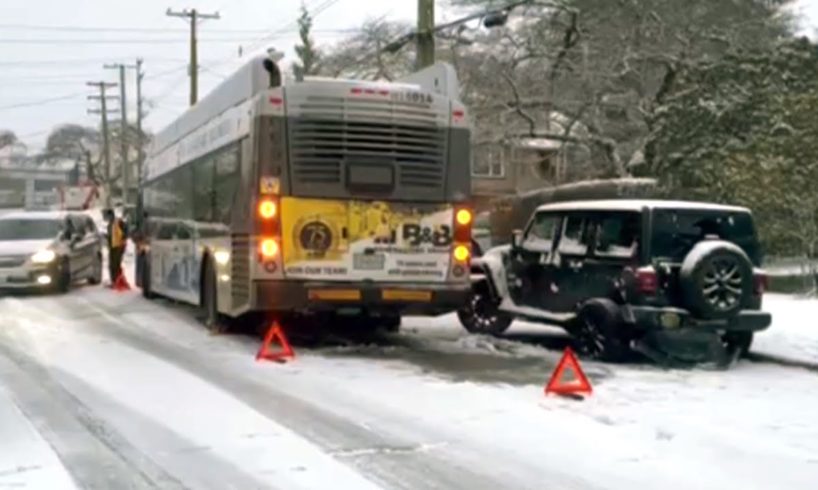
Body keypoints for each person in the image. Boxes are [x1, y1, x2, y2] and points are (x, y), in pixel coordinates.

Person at [104, 208, 128, 286]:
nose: (106, 218)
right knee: (111, 265)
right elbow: (111, 236)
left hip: (119, 246)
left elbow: (125, 231)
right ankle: (114, 281)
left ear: (111, 215)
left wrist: (123, 239)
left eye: (107, 216)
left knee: (116, 264)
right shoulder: (110, 225)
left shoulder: (118, 222)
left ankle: (117, 281)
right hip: (112, 247)